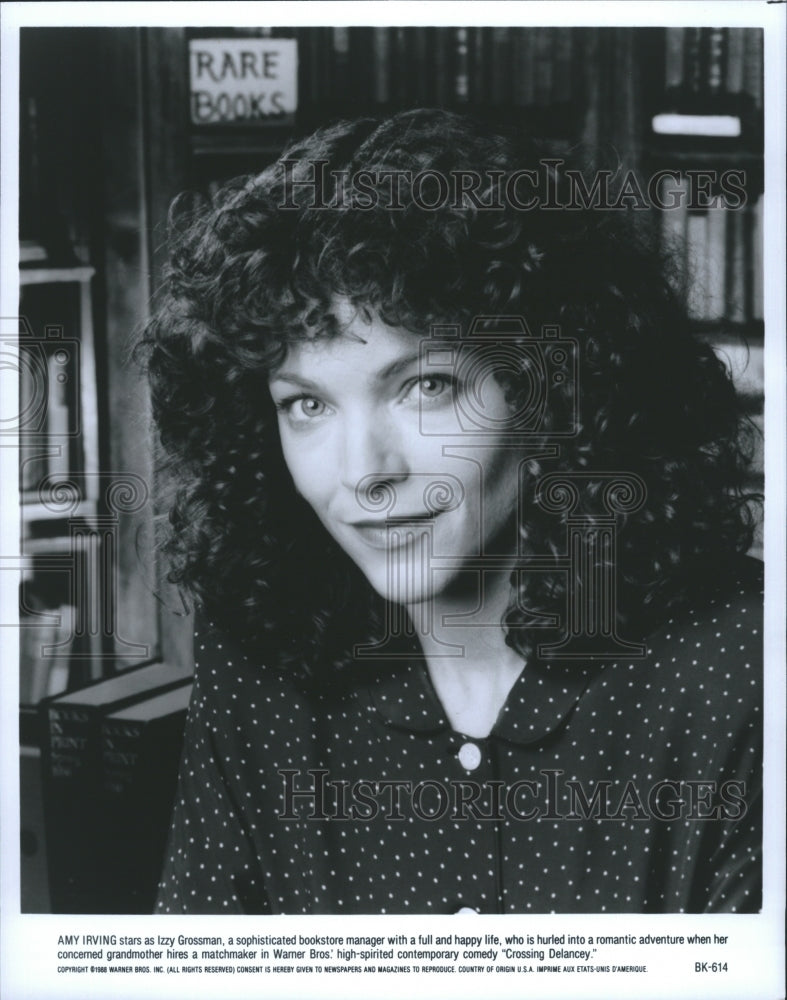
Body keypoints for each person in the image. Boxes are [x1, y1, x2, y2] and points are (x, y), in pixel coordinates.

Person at [144, 109, 762, 915]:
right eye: (305, 406)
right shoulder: (258, 658)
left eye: (425, 387)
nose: (364, 473)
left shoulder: (740, 664)